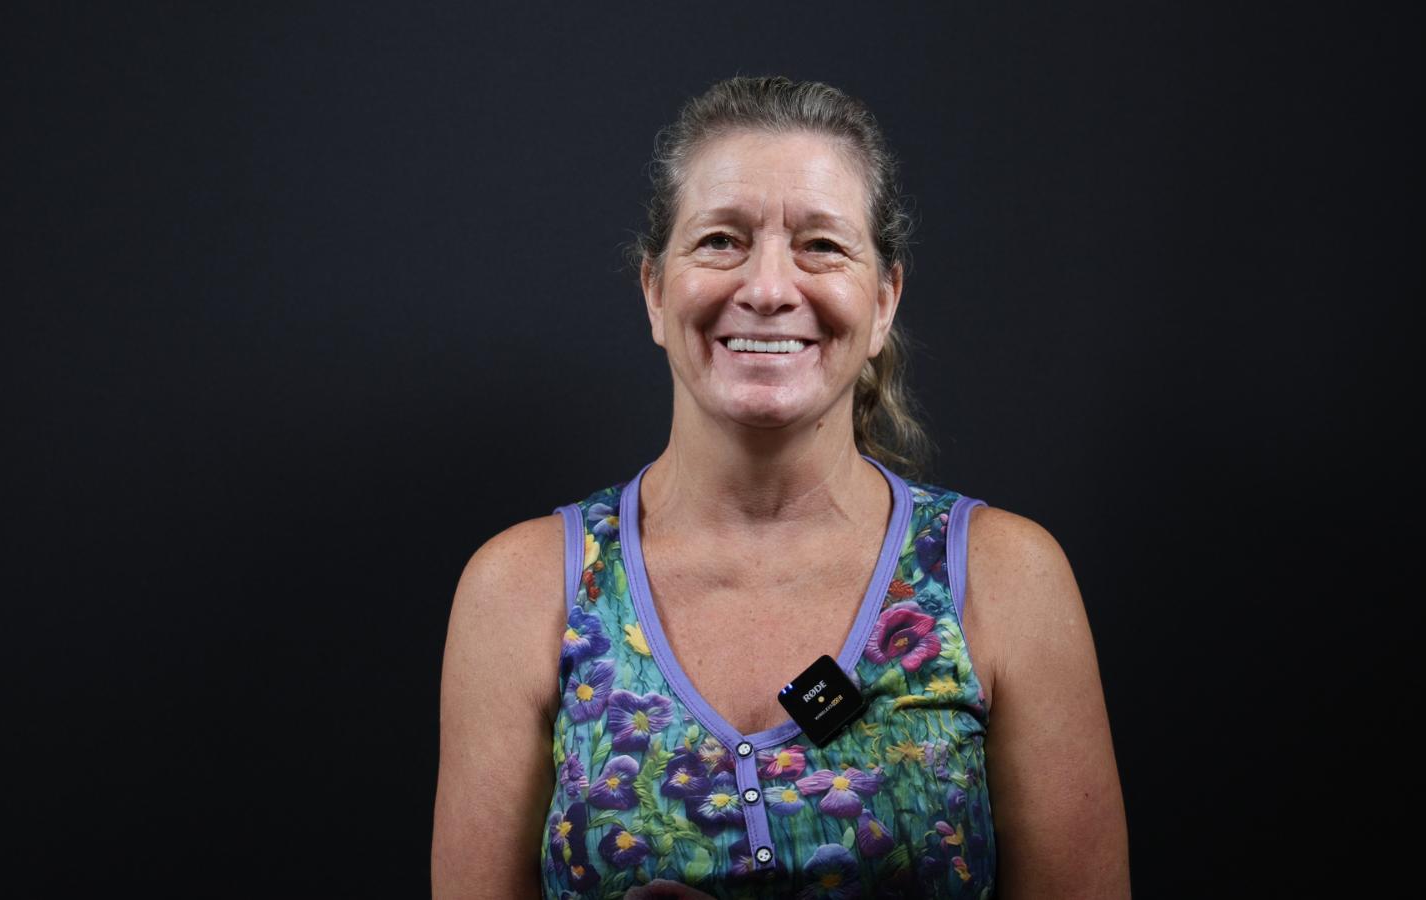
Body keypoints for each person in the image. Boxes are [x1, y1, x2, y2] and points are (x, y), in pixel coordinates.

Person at [432, 75, 1129, 899]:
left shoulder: (1007, 581)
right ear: (655, 291)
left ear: (882, 301)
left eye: (822, 246)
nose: (766, 289)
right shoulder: (522, 590)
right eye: (721, 240)